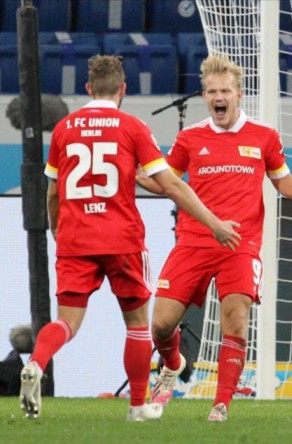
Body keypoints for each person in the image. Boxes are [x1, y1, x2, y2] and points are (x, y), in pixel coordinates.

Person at [20, 55, 239, 422]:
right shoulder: (132, 127)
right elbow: (170, 185)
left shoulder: (64, 129)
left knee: (67, 322)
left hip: (75, 239)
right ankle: (138, 406)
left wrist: (58, 230)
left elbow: (53, 193)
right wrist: (214, 223)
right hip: (121, 239)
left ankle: (37, 364)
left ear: (88, 89)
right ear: (123, 89)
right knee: (137, 323)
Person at [138, 55, 292, 422]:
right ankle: (172, 364)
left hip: (241, 243)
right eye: (211, 92)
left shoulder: (264, 135)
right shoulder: (190, 138)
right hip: (193, 241)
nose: (218, 97)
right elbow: (167, 183)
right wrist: (134, 175)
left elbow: (280, 178)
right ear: (204, 96)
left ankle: (221, 404)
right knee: (160, 325)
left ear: (239, 94)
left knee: (235, 320)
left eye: (224, 91)